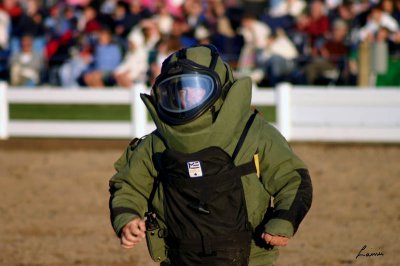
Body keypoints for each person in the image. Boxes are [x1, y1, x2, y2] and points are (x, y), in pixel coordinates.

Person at [108, 45, 313, 265]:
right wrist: (127, 218)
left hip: (250, 258)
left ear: (218, 88)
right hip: (179, 258)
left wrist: (283, 222)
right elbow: (129, 185)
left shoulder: (254, 134)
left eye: (194, 86)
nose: (185, 95)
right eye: (177, 88)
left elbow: (292, 179)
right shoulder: (156, 143)